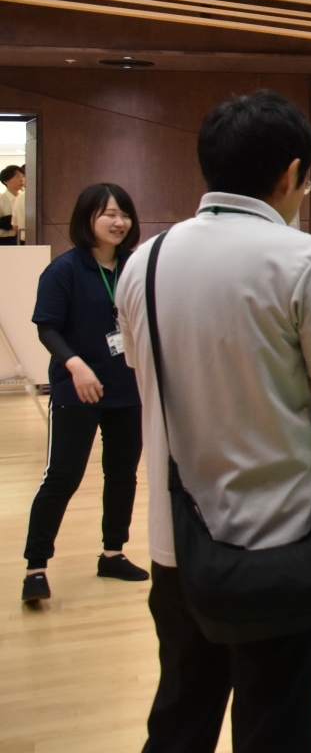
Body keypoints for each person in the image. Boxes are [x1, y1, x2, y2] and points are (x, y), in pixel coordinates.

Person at [116, 89, 311, 753]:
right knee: (273, 726)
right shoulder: (302, 259)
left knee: (182, 717)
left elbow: (149, 381)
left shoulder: (144, 262)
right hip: (280, 543)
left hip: (176, 545)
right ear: (289, 174)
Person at [21, 183, 148, 603]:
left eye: (124, 214)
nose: (118, 221)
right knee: (63, 475)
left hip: (127, 388)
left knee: (122, 473)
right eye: (108, 213)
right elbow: (48, 327)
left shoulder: (134, 266)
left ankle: (113, 553)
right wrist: (75, 366)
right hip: (78, 388)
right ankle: (35, 567)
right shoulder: (64, 269)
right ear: (86, 219)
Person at [0, 164, 27, 245]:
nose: (21, 179)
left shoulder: (25, 198)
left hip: (23, 239)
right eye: (17, 176)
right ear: (6, 180)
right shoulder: (1, 200)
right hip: (5, 241)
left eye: (23, 176)